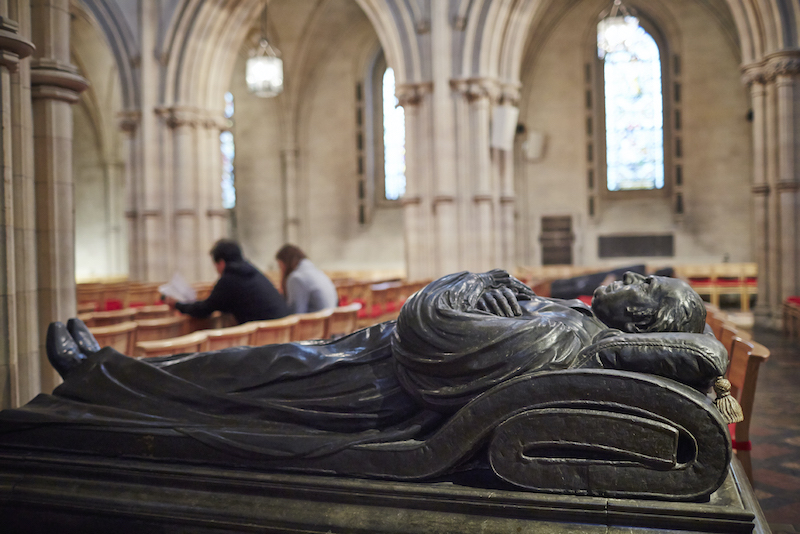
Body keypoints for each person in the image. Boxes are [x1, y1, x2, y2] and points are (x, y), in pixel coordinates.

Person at [3, 269, 727, 461]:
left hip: (368, 388)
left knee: (240, 381)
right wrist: (481, 285)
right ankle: (106, 379)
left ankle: (103, 382)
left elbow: (433, 329)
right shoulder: (570, 321)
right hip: (367, 363)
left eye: (650, 289)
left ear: (647, 320)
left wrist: (468, 283)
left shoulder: (570, 341)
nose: (633, 281)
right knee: (239, 368)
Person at [170, 238, 289, 324]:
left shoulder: (229, 279)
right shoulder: (253, 271)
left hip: (265, 342)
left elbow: (204, 309)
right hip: (282, 330)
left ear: (221, 263)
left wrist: (177, 304)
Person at [275, 244, 338, 313]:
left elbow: (296, 313)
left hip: (314, 322)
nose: (281, 270)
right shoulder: (316, 272)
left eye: (280, 266)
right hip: (329, 320)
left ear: (285, 263)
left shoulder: (296, 278)